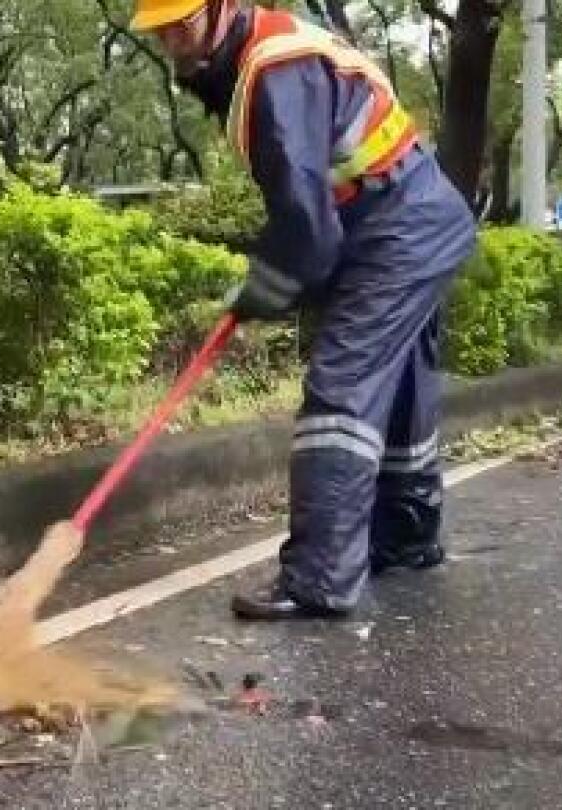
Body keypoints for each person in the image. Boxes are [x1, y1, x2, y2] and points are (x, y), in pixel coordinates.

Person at [130, 0, 478, 620]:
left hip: (399, 224)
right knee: (398, 388)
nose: (174, 44)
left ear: (222, 9)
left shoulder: (274, 68)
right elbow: (312, 209)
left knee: (342, 385)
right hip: (401, 217)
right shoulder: (261, 57)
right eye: (162, 32)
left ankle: (318, 577)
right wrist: (283, 272)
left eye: (181, 25)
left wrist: (271, 279)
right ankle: (406, 537)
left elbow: (306, 224)